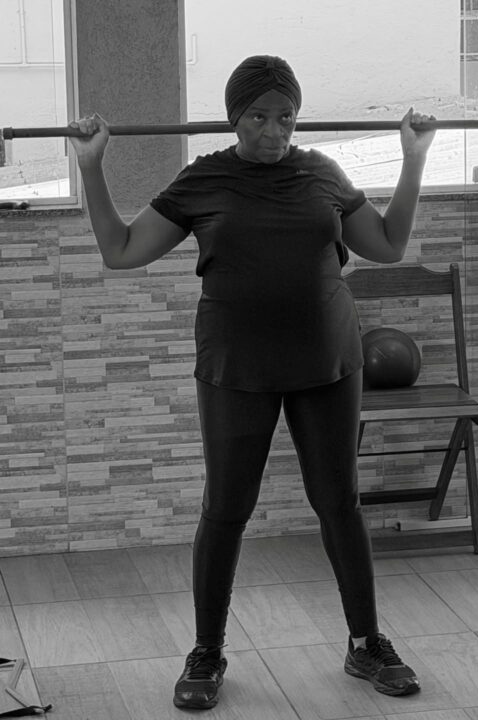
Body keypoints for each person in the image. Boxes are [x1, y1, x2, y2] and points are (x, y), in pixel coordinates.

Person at [69, 54, 436, 712]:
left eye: (286, 116)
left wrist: (414, 159)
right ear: (234, 117)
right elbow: (120, 251)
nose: (274, 130)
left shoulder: (322, 173)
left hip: (328, 360)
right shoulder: (204, 179)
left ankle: (366, 643)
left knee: (340, 504)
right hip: (236, 366)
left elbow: (387, 244)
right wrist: (91, 167)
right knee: (226, 509)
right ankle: (207, 651)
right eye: (259, 116)